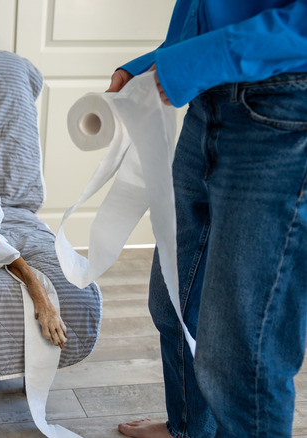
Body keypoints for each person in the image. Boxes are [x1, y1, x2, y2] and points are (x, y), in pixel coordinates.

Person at [105, 1, 307, 437]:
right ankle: (188, 429)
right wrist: (158, 63)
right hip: (209, 101)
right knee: (175, 301)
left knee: (244, 353)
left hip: (284, 110)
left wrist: (193, 61)